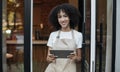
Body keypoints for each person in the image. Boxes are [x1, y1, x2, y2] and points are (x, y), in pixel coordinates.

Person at [45, 3, 83, 72]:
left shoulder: (78, 35)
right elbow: (48, 58)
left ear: (70, 17)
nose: (62, 20)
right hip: (53, 69)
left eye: (65, 16)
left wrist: (75, 58)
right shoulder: (53, 35)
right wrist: (50, 59)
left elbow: (79, 58)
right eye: (60, 17)